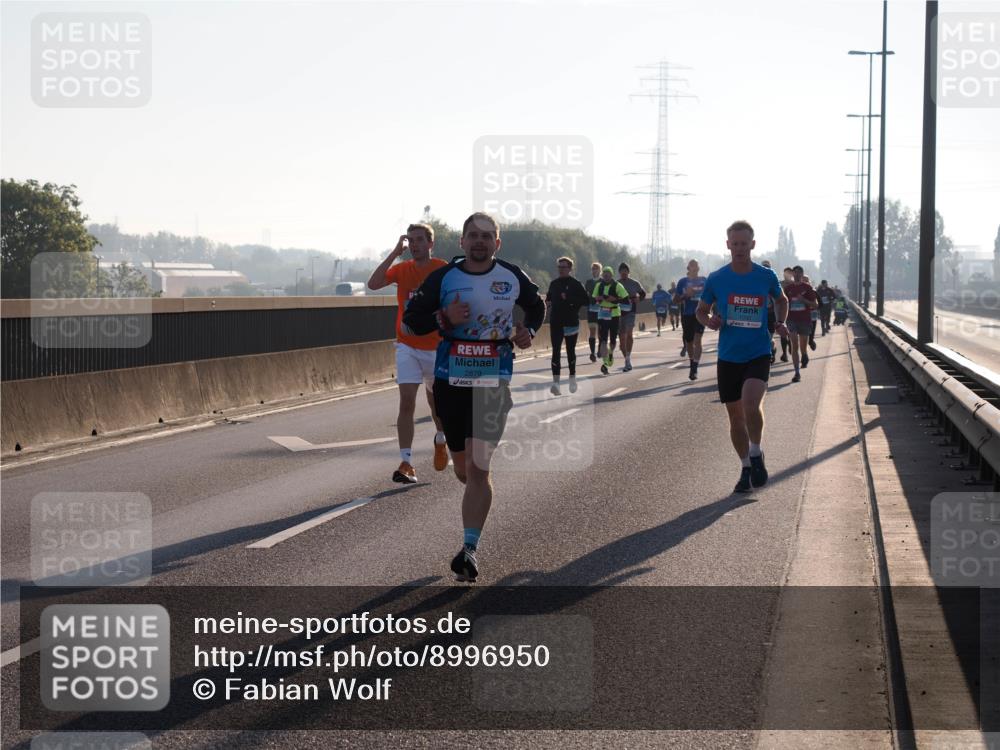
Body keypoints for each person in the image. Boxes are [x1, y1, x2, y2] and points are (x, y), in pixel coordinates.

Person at [402, 212, 545, 582]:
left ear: (497, 243)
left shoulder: (511, 275)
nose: (479, 241)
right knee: (464, 470)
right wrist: (443, 316)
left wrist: (527, 329)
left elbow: (537, 305)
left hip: (493, 381)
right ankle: (459, 469)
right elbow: (411, 321)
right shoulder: (444, 277)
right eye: (473, 236)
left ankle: (469, 551)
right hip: (450, 381)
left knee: (480, 468)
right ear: (462, 242)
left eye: (487, 236)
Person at [697, 220, 788, 493]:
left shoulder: (765, 276)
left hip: (758, 351)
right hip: (728, 356)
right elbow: (701, 311)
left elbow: (781, 300)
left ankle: (757, 451)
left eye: (744, 244)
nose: (739, 248)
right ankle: (746, 466)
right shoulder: (717, 278)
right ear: (728, 245)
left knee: (751, 405)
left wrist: (780, 321)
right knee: (736, 419)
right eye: (734, 244)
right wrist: (709, 321)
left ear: (753, 245)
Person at [367, 223, 449, 484]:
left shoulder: (441, 268)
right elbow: (374, 283)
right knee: (406, 402)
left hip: (436, 348)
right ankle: (407, 462)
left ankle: (440, 438)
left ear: (430, 244)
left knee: (438, 406)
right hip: (408, 346)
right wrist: (394, 252)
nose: (414, 245)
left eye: (419, 240)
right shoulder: (403, 270)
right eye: (411, 241)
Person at [546, 257, 590, 395]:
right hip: (556, 322)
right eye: (559, 267)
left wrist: (569, 299)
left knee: (570, 351)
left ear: (570, 269)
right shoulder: (554, 284)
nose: (561, 269)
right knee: (556, 352)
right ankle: (556, 384)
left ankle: (572, 378)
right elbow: (548, 298)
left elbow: (586, 301)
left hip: (571, 322)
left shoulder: (576, 284)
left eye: (563, 267)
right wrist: (547, 303)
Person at [784, 265, 819, 383]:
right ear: (793, 274)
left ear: (802, 274)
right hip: (791, 320)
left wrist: (803, 300)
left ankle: (804, 355)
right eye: (795, 273)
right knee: (794, 345)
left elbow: (815, 305)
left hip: (804, 320)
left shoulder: (808, 288)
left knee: (803, 347)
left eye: (800, 273)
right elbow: (783, 304)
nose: (797, 274)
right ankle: (797, 373)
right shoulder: (788, 289)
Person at [591, 266, 628, 375]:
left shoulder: (617, 286)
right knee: (602, 339)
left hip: (614, 313)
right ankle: (605, 363)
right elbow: (593, 298)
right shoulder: (599, 285)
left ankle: (610, 353)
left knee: (612, 338)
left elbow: (626, 299)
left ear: (612, 275)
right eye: (605, 274)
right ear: (602, 275)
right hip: (602, 313)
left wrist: (614, 299)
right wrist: (599, 298)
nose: (606, 276)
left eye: (608, 274)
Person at [674, 259, 707, 380]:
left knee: (697, 340)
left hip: (700, 314)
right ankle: (692, 361)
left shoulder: (704, 280)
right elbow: (675, 300)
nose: (693, 267)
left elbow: (712, 296)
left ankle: (694, 368)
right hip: (687, 314)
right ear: (688, 268)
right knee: (689, 342)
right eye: (691, 266)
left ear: (698, 268)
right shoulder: (682, 282)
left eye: (696, 265)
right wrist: (685, 295)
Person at [617, 263, 647, 372]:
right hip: (619, 312)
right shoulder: (616, 284)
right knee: (621, 340)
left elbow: (643, 294)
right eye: (622, 271)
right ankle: (626, 359)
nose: (624, 273)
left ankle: (628, 359)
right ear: (619, 272)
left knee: (629, 334)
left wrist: (639, 299)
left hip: (631, 311)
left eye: (625, 271)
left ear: (628, 272)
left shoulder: (634, 283)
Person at [583, 262, 603, 363]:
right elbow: (585, 295)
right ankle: (592, 353)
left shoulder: (603, 281)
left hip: (602, 310)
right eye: (593, 269)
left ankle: (599, 349)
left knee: (600, 332)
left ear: (600, 270)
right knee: (592, 332)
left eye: (596, 269)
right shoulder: (588, 282)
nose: (594, 271)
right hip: (591, 310)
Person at [761, 260, 778, 363]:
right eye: (764, 267)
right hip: (759, 315)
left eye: (767, 267)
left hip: (771, 314)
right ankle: (765, 354)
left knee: (769, 337)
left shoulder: (773, 282)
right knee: (761, 337)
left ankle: (772, 350)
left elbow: (779, 301)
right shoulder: (755, 281)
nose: (765, 269)